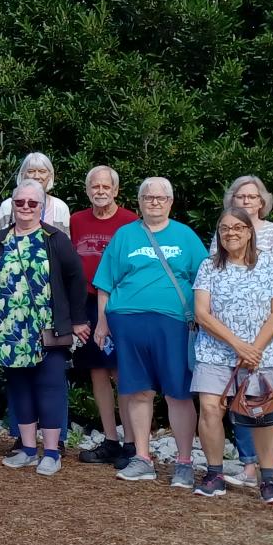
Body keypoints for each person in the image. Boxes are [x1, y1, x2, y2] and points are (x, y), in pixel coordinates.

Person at [93, 178, 207, 487]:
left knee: (178, 392)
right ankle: (142, 457)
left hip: (173, 324)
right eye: (148, 197)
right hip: (128, 322)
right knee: (137, 390)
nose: (154, 202)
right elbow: (106, 282)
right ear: (140, 202)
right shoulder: (125, 235)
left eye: (160, 197)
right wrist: (102, 322)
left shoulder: (185, 236)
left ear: (170, 202)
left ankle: (184, 462)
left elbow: (206, 279)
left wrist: (203, 317)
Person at [0, 181, 91, 474]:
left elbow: (77, 278)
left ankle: (51, 452)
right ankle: (27, 448)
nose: (25, 207)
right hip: (11, 328)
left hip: (47, 328)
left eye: (32, 203)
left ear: (41, 207)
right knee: (19, 386)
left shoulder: (55, 239)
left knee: (50, 386)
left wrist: (78, 320)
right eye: (20, 202)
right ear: (12, 205)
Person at [191, 208, 273, 502]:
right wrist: (238, 345)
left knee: (261, 414)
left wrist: (254, 349)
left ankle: (268, 479)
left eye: (238, 228)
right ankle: (214, 473)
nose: (231, 233)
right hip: (215, 351)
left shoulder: (271, 266)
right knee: (210, 409)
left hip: (260, 354)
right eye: (224, 229)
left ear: (250, 231)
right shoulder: (209, 267)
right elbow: (201, 312)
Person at [222, 175, 273, 484]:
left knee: (262, 399)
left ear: (263, 201)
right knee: (238, 398)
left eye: (252, 196)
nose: (246, 201)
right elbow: (216, 270)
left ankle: (270, 467)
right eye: (240, 196)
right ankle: (248, 464)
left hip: (264, 328)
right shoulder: (222, 229)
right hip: (227, 332)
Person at [70, 165, 137, 465]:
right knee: (97, 371)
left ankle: (132, 442)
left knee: (123, 373)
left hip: (121, 303)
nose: (100, 192)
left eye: (105, 187)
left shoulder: (130, 222)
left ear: (115, 191)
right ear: (87, 191)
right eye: (94, 187)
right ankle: (110, 438)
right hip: (86, 302)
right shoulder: (76, 220)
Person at [0, 151, 71, 229]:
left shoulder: (60, 207)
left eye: (42, 172)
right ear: (22, 175)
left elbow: (65, 240)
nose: (36, 176)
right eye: (31, 171)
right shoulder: (8, 206)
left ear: (50, 176)